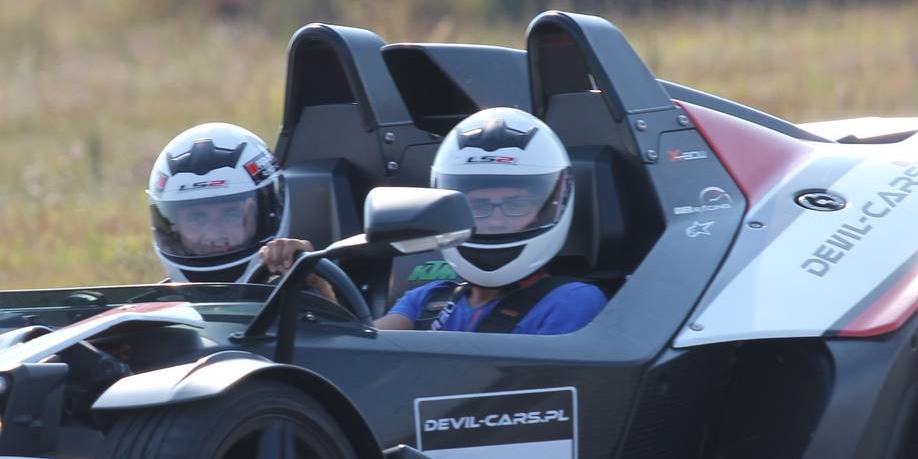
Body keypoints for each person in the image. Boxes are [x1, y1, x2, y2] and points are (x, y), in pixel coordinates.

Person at [261, 107, 606, 335]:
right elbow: (361, 355)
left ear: (550, 207)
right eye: (478, 206)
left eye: (515, 204)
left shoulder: (571, 302)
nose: (497, 219)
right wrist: (319, 289)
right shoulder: (427, 300)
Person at [146, 122, 288, 283]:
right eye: (197, 218)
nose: (214, 235)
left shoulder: (301, 283)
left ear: (264, 218)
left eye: (230, 214)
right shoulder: (159, 298)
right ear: (172, 230)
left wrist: (306, 275)